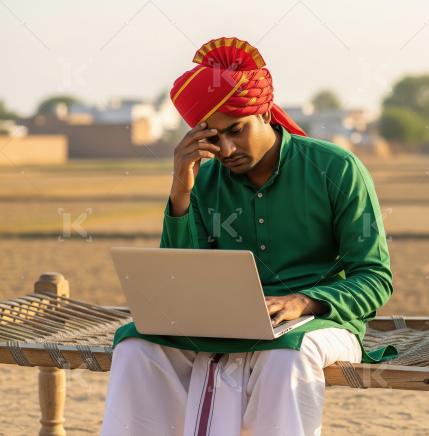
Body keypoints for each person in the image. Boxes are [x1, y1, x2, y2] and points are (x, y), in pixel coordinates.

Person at [100, 36, 397, 436]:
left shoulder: (337, 169)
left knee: (285, 358)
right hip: (226, 325)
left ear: (264, 114)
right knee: (136, 347)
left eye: (236, 130)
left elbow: (375, 278)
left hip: (318, 323)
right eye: (211, 137)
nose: (225, 148)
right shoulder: (204, 180)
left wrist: (304, 302)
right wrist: (180, 191)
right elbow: (180, 278)